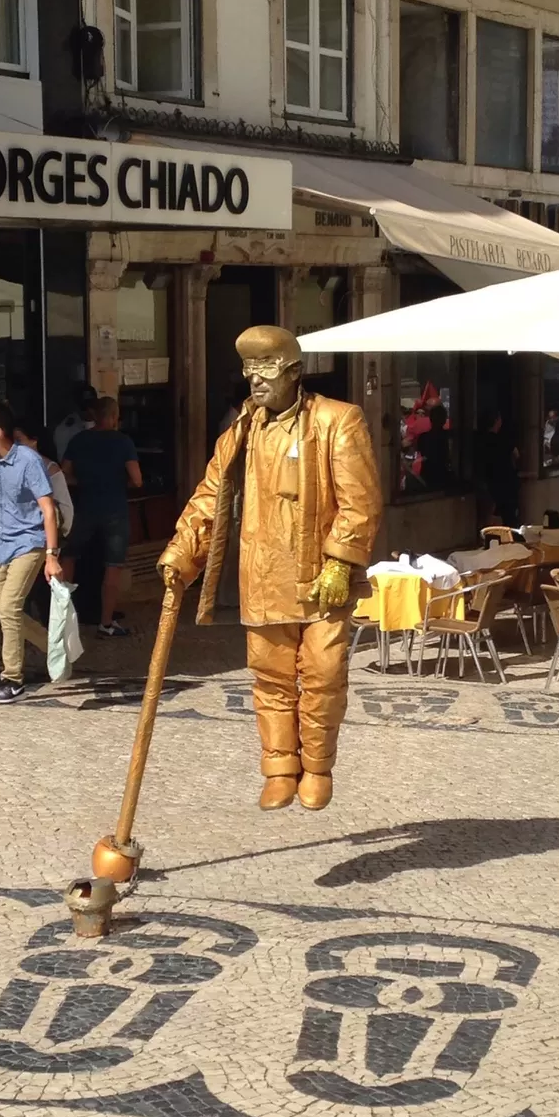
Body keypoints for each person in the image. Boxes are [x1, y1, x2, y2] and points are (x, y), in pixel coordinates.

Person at [159, 325, 381, 813]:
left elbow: (360, 500)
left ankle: (318, 766)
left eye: (267, 370)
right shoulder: (240, 432)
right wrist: (182, 551)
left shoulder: (337, 421)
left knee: (323, 673)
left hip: (321, 577)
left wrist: (342, 559)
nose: (256, 381)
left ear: (295, 372)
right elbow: (210, 498)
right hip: (263, 575)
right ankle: (280, 767)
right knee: (271, 678)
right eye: (249, 372)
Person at [0, 405, 62, 704]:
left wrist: (51, 555)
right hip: (3, 544)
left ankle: (12, 680)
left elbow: (48, 508)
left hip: (30, 541)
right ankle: (55, 651)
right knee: (1, 612)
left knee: (10, 609)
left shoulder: (29, 461)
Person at [61, 396, 142, 637]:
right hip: (115, 509)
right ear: (115, 415)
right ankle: (106, 622)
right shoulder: (123, 442)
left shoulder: (79, 440)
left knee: (69, 557)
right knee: (113, 565)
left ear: (94, 415)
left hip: (84, 507)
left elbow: (63, 473)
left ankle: (62, 617)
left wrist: (83, 482)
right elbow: (137, 480)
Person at [478, 413, 520, 526]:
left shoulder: (481, 441)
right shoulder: (503, 440)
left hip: (489, 482)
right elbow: (516, 454)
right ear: (497, 421)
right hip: (505, 483)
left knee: (489, 515)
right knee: (509, 517)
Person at [53, 385, 98, 463]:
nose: (89, 410)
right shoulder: (66, 429)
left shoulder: (100, 423)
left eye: (92, 405)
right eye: (84, 407)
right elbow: (63, 460)